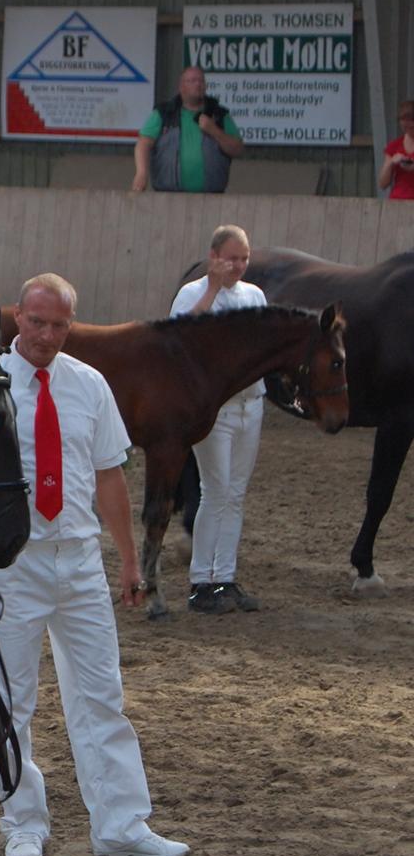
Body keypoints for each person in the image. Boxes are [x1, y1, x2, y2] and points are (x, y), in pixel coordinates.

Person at [0, 273, 189, 856]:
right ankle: (22, 820)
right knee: (11, 697)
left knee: (101, 694)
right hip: (11, 565)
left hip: (78, 558)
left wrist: (126, 558)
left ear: (72, 325)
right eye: (38, 322)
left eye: (60, 325)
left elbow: (108, 475)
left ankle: (121, 823)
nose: (47, 335)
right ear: (18, 316)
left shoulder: (90, 384)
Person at [170, 225, 266, 614]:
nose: (239, 266)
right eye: (232, 258)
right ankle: (200, 581)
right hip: (216, 407)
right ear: (214, 257)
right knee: (216, 490)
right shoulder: (192, 293)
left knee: (236, 492)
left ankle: (224, 575)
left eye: (244, 258)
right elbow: (178, 335)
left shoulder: (255, 295)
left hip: (250, 402)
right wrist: (210, 289)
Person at [132, 66, 244, 194]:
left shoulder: (219, 114)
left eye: (201, 81)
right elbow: (143, 144)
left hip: (212, 197)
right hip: (168, 196)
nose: (197, 84)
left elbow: (237, 149)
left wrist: (214, 130)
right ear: (181, 87)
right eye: (192, 81)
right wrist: (141, 173)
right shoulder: (164, 113)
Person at [377, 99, 414, 199]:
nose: (410, 124)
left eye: (412, 120)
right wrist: (390, 163)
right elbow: (382, 184)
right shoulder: (394, 146)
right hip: (397, 202)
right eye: (404, 121)